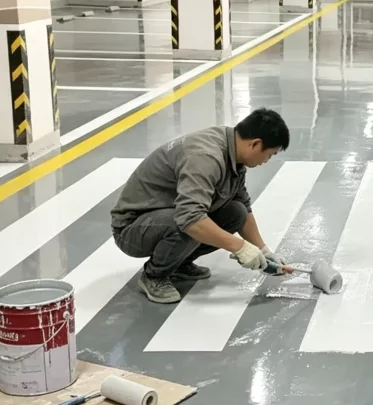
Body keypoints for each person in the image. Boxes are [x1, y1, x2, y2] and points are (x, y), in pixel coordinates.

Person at [111, 108, 292, 304]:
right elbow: (190, 218)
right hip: (133, 227)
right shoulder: (206, 157)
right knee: (187, 224)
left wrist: (263, 250)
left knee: (236, 212)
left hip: (165, 214)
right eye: (269, 155)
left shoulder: (233, 152)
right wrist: (240, 247)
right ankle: (154, 276)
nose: (267, 161)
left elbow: (243, 205)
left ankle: (179, 263)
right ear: (255, 144)